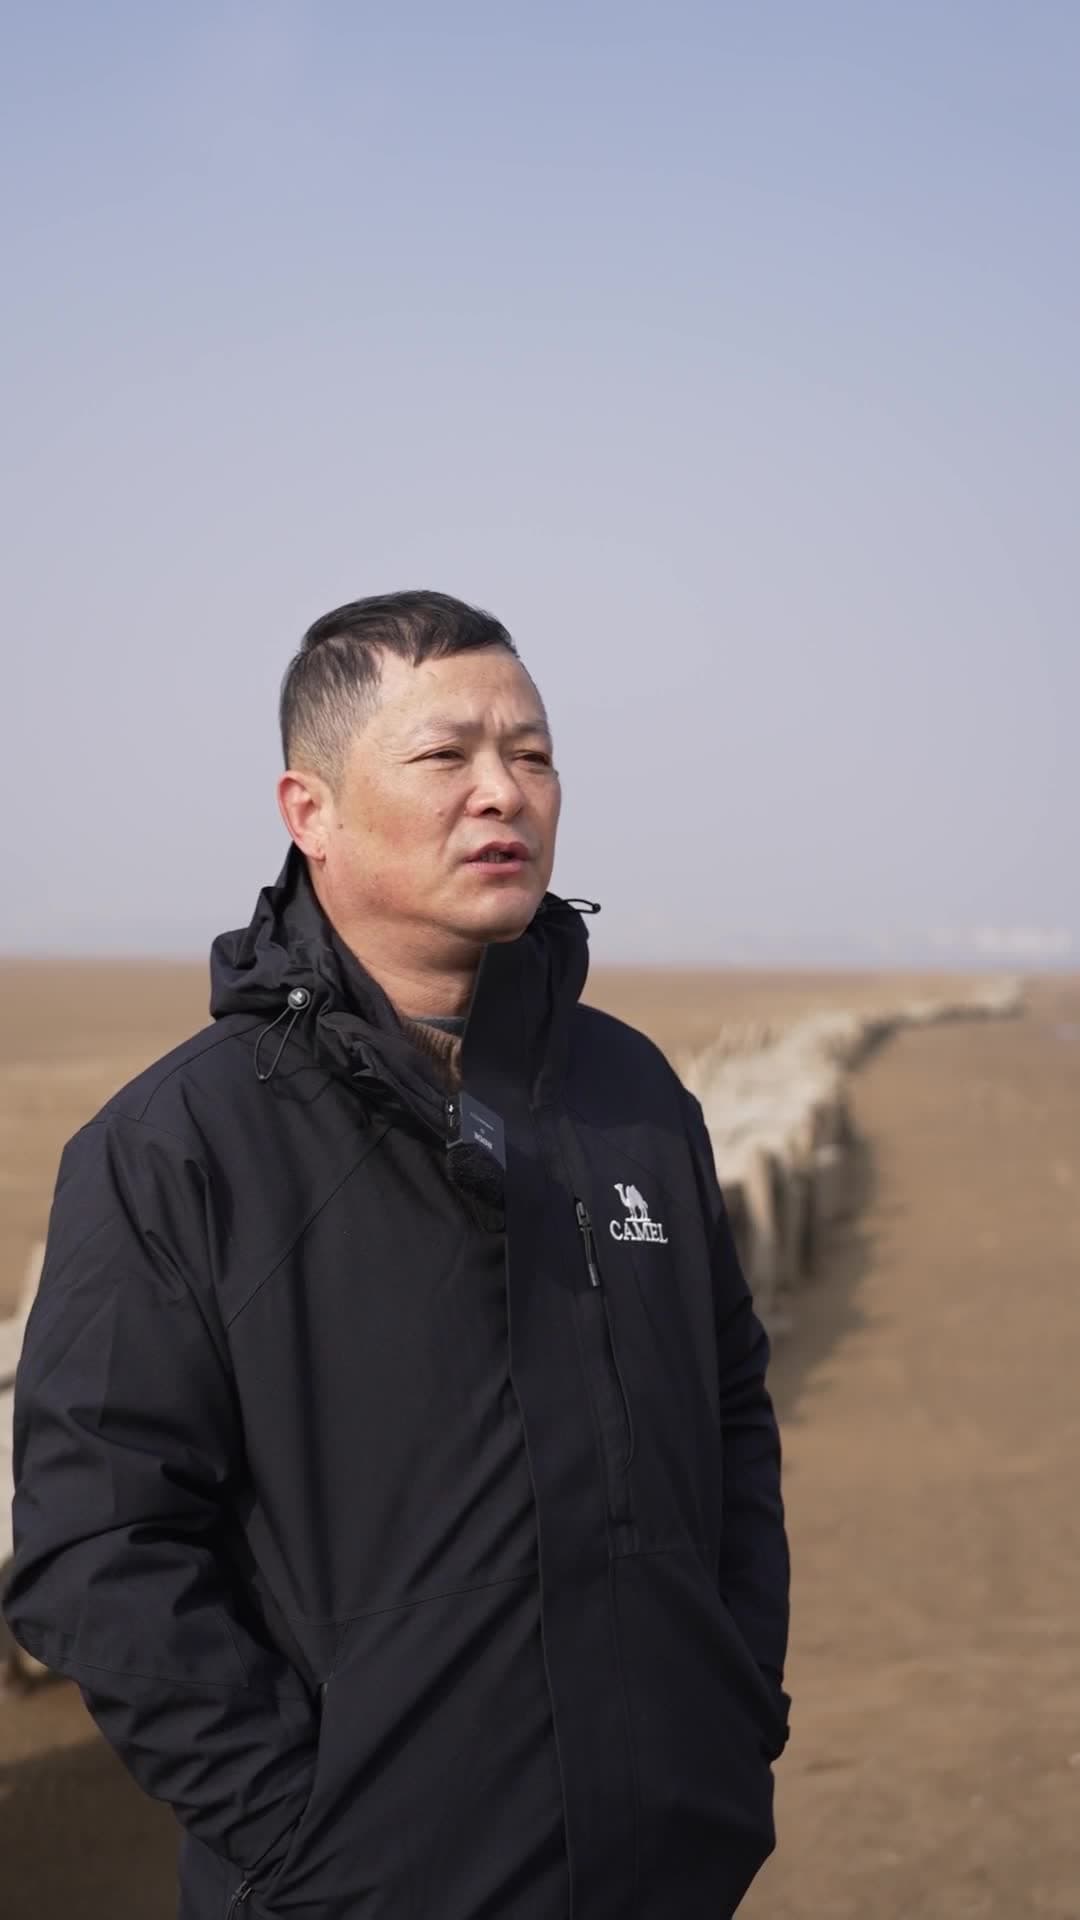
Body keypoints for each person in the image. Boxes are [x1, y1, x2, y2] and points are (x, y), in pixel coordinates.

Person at [4, 591, 791, 1919]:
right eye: (445, 755)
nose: (503, 792)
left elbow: (727, 1415)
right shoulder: (178, 1148)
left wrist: (734, 1710)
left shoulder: (633, 1099)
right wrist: (308, 1847)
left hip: (669, 1868)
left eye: (532, 754)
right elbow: (97, 1547)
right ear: (309, 811)